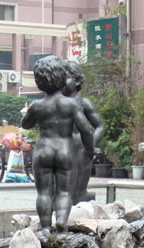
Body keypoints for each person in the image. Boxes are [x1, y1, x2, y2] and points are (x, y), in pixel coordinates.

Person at [21, 55, 94, 231]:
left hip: (43, 150)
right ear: (63, 78)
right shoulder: (71, 104)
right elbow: (86, 130)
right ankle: (61, 221)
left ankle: (46, 228)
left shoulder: (37, 106)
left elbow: (25, 124)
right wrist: (90, 150)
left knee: (44, 193)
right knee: (64, 192)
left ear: (39, 81)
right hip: (65, 150)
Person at [63, 60, 105, 204]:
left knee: (78, 188)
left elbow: (100, 126)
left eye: (65, 77)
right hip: (61, 148)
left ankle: (83, 203)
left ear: (77, 80)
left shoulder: (83, 103)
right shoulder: (55, 103)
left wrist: (91, 145)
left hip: (81, 149)